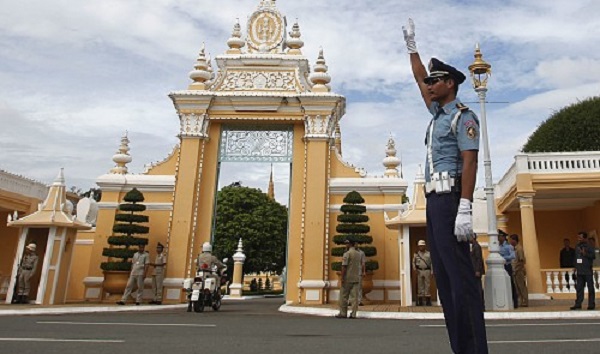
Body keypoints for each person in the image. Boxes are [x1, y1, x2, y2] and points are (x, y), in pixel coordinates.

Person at [403, 18, 488, 353]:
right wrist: (412, 49)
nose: (429, 85)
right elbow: (416, 77)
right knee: (447, 279)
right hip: (435, 202)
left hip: (453, 200)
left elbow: (470, 161)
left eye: (434, 81)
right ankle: (461, 348)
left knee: (462, 281)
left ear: (449, 84)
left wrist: (465, 206)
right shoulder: (437, 114)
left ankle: (475, 350)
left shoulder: (463, 116)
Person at [335, 239, 362, 319]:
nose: (346, 245)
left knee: (343, 296)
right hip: (356, 277)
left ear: (349, 244)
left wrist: (342, 278)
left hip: (347, 278)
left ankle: (343, 313)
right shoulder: (359, 254)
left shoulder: (347, 254)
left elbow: (344, 266)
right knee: (355, 297)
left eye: (347, 243)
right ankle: (353, 314)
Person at [570, 231, 595, 310]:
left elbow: (593, 256)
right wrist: (575, 267)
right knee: (579, 288)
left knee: (590, 288)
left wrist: (585, 254)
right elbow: (576, 258)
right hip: (579, 271)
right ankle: (578, 303)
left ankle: (591, 304)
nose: (579, 239)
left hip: (587, 270)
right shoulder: (577, 246)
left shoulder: (589, 246)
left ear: (585, 238)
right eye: (578, 238)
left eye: (580, 238)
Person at [498, 230, 518, 309]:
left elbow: (513, 256)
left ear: (503, 237)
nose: (498, 238)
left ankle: (514, 302)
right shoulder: (498, 247)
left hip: (507, 266)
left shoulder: (508, 246)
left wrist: (502, 258)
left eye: (499, 236)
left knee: (511, 284)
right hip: (500, 267)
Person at [510, 234, 528, 307]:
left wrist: (517, 269)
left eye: (511, 240)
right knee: (517, 287)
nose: (510, 241)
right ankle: (521, 301)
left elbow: (521, 260)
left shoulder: (519, 248)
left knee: (521, 286)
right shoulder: (514, 248)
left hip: (519, 270)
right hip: (515, 270)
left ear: (515, 240)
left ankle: (525, 301)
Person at [412, 240, 432, 306]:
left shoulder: (429, 254)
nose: (421, 247)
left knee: (427, 285)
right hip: (419, 271)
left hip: (427, 270)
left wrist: (432, 271)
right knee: (420, 286)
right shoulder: (416, 254)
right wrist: (415, 269)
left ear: (424, 246)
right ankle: (420, 301)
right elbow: (413, 262)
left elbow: (432, 263)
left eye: (422, 246)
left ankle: (428, 301)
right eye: (420, 246)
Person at [470, 234, 485, 309]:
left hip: (476, 270)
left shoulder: (476, 246)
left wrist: (477, 270)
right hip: (474, 270)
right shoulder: (473, 246)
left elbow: (478, 259)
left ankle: (481, 305)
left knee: (478, 287)